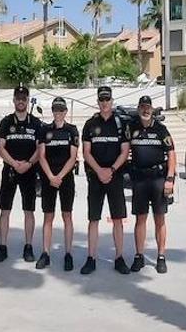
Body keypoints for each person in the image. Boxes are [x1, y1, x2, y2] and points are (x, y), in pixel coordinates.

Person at [80, 86, 131, 275]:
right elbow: (86, 152)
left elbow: (125, 151)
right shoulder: (90, 124)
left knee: (118, 219)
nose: (104, 103)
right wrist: (99, 171)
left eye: (107, 99)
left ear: (112, 101)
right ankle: (91, 258)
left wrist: (110, 170)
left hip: (114, 175)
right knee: (93, 219)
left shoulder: (120, 124)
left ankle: (119, 258)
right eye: (101, 100)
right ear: (97, 101)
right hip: (95, 176)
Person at [127, 96, 175, 274]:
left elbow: (171, 154)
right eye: (142, 107)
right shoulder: (131, 128)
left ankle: (161, 257)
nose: (145, 110)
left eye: (148, 107)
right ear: (138, 108)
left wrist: (170, 179)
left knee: (159, 218)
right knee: (140, 219)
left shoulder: (161, 130)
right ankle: (139, 256)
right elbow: (124, 149)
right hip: (139, 179)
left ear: (152, 109)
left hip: (158, 179)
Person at [0, 85, 42, 263]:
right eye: (18, 98)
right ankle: (2, 246)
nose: (21, 101)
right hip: (10, 171)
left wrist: (29, 163)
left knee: (28, 210)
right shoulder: (6, 122)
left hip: (29, 171)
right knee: (5, 210)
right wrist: (15, 164)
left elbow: (40, 148)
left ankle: (28, 246)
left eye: (24, 98)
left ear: (28, 100)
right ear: (14, 100)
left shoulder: (35, 123)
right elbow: (0, 147)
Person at [36, 96, 78, 271]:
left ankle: (68, 253)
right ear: (52, 111)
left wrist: (59, 176)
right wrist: (51, 177)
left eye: (61, 110)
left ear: (65, 111)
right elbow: (41, 156)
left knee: (67, 216)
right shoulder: (45, 130)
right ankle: (45, 253)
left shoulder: (72, 130)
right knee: (48, 216)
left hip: (65, 177)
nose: (58, 113)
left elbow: (73, 156)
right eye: (55, 110)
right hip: (48, 178)